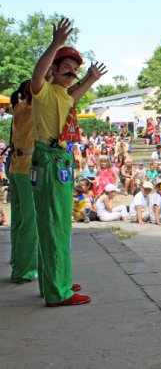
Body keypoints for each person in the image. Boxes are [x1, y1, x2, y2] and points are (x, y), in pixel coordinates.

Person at [30, 18, 106, 306]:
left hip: (58, 158)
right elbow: (38, 74)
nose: (71, 73)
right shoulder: (42, 90)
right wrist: (56, 44)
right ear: (53, 69)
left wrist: (91, 78)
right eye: (66, 67)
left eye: (74, 71)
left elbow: (77, 92)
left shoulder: (63, 94)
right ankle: (58, 292)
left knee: (57, 224)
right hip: (49, 160)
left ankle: (56, 280)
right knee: (54, 224)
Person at [8, 81, 38, 283]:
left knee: (18, 219)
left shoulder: (18, 106)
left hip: (15, 166)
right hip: (27, 168)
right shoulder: (33, 109)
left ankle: (17, 260)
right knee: (30, 221)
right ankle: (25, 270)